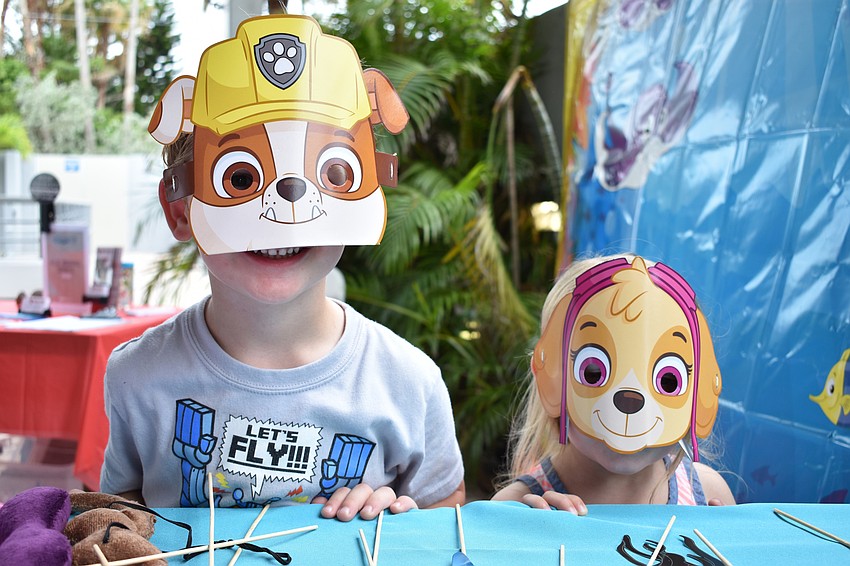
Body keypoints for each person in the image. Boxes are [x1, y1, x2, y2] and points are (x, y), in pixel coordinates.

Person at [100, 14, 465, 521]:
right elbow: (119, 518)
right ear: (181, 210)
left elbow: (448, 520)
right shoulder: (135, 376)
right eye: (241, 177)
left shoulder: (409, 382)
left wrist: (400, 512)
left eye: (332, 172)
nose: (286, 212)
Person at [492, 254, 735, 514]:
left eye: (668, 380)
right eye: (593, 372)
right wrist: (520, 538)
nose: (630, 398)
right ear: (549, 374)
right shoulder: (515, 508)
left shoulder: (709, 493)